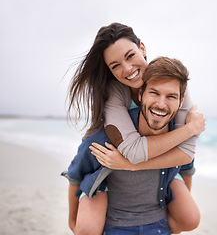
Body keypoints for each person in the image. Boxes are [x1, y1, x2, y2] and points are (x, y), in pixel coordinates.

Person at [65, 22, 205, 234]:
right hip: (119, 159)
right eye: (115, 65)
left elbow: (186, 154)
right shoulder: (115, 93)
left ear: (143, 48)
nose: (128, 69)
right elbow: (133, 151)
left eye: (130, 56)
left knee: (190, 217)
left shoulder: (171, 82)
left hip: (160, 167)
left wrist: (135, 167)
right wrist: (190, 129)